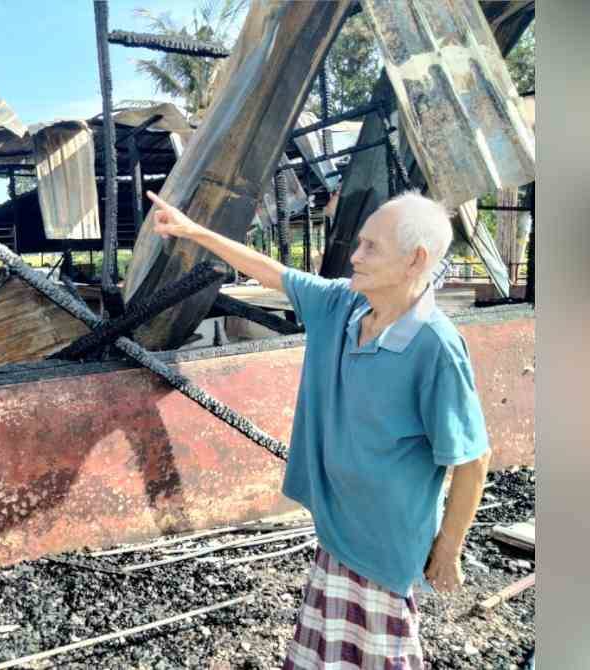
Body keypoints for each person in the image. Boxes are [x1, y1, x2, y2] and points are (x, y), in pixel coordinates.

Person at [145, 189, 491, 669]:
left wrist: (448, 550)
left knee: (381, 655)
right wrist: (193, 231)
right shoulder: (344, 306)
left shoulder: (435, 345)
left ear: (415, 260)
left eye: (371, 247)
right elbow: (273, 272)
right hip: (336, 528)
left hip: (384, 546)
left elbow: (472, 460)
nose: (355, 256)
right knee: (327, 654)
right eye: (360, 243)